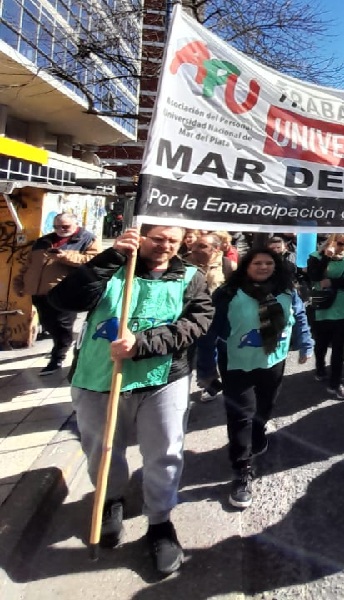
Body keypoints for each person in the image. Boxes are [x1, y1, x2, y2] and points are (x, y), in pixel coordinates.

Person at [47, 225, 213, 575]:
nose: (165, 246)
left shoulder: (191, 277)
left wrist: (142, 344)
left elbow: (197, 323)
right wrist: (111, 257)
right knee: (103, 450)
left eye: (173, 240)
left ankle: (160, 522)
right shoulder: (112, 265)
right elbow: (64, 300)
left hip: (163, 379)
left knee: (165, 452)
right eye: (158, 238)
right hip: (98, 377)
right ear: (140, 236)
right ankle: (110, 501)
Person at [205, 248, 312, 509]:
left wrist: (306, 343)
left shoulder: (287, 291)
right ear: (246, 266)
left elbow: (299, 316)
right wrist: (206, 368)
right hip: (236, 364)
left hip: (273, 361)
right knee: (241, 415)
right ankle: (242, 470)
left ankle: (258, 433)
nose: (263, 267)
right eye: (257, 263)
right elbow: (209, 331)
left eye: (268, 263)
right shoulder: (228, 294)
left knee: (264, 408)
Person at [13, 213, 100, 375]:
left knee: (62, 325)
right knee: (47, 323)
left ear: (75, 224)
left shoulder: (87, 239)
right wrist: (19, 282)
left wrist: (64, 256)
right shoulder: (43, 241)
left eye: (65, 226)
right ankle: (62, 345)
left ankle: (58, 357)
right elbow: (28, 264)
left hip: (65, 291)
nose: (60, 229)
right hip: (39, 292)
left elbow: (93, 260)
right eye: (56, 227)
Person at [307, 233, 344, 399]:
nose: (343, 247)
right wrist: (326, 258)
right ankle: (320, 368)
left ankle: (335, 383)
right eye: (340, 243)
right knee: (321, 342)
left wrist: (333, 282)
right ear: (331, 241)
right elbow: (314, 276)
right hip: (322, 306)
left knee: (339, 347)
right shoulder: (315, 257)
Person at [188, 233, 234, 398]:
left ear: (216, 249)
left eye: (202, 246)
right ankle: (210, 384)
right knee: (203, 352)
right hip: (196, 316)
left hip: (222, 316)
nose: (195, 249)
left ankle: (230, 385)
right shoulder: (185, 264)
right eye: (195, 245)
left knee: (225, 351)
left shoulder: (228, 265)